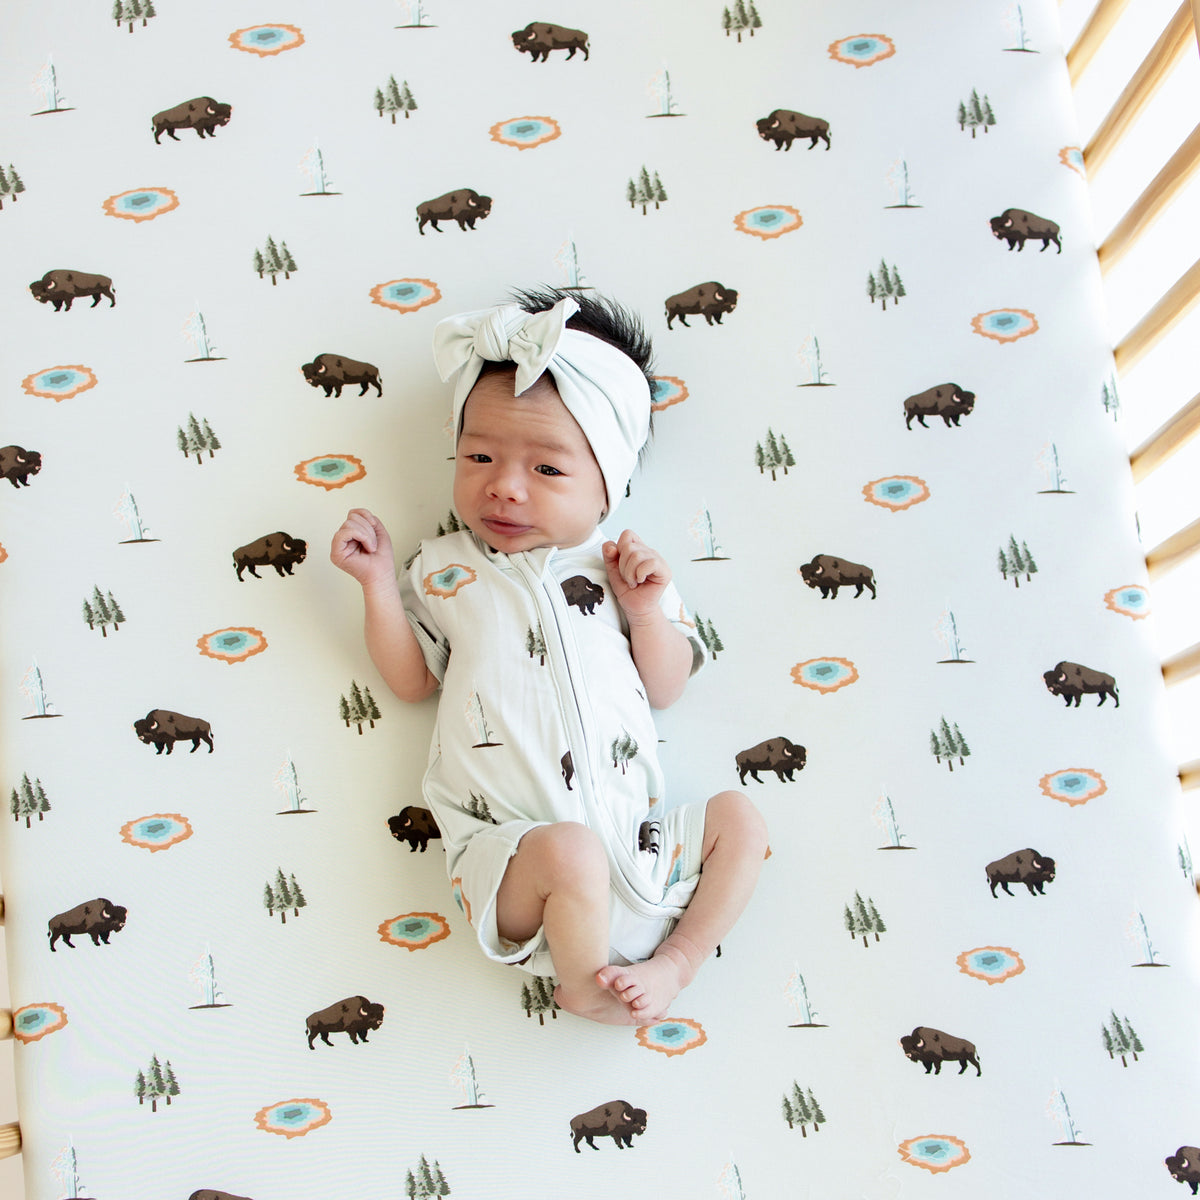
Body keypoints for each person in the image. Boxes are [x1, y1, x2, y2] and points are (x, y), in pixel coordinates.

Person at [330, 288, 767, 1026]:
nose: (503, 484)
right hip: (516, 864)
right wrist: (377, 584)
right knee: (570, 851)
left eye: (548, 470)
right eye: (479, 456)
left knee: (742, 820)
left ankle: (678, 961)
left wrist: (642, 611)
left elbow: (667, 688)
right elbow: (410, 682)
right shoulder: (443, 569)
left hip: (643, 856)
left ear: (610, 488)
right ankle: (580, 983)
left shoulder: (625, 569)